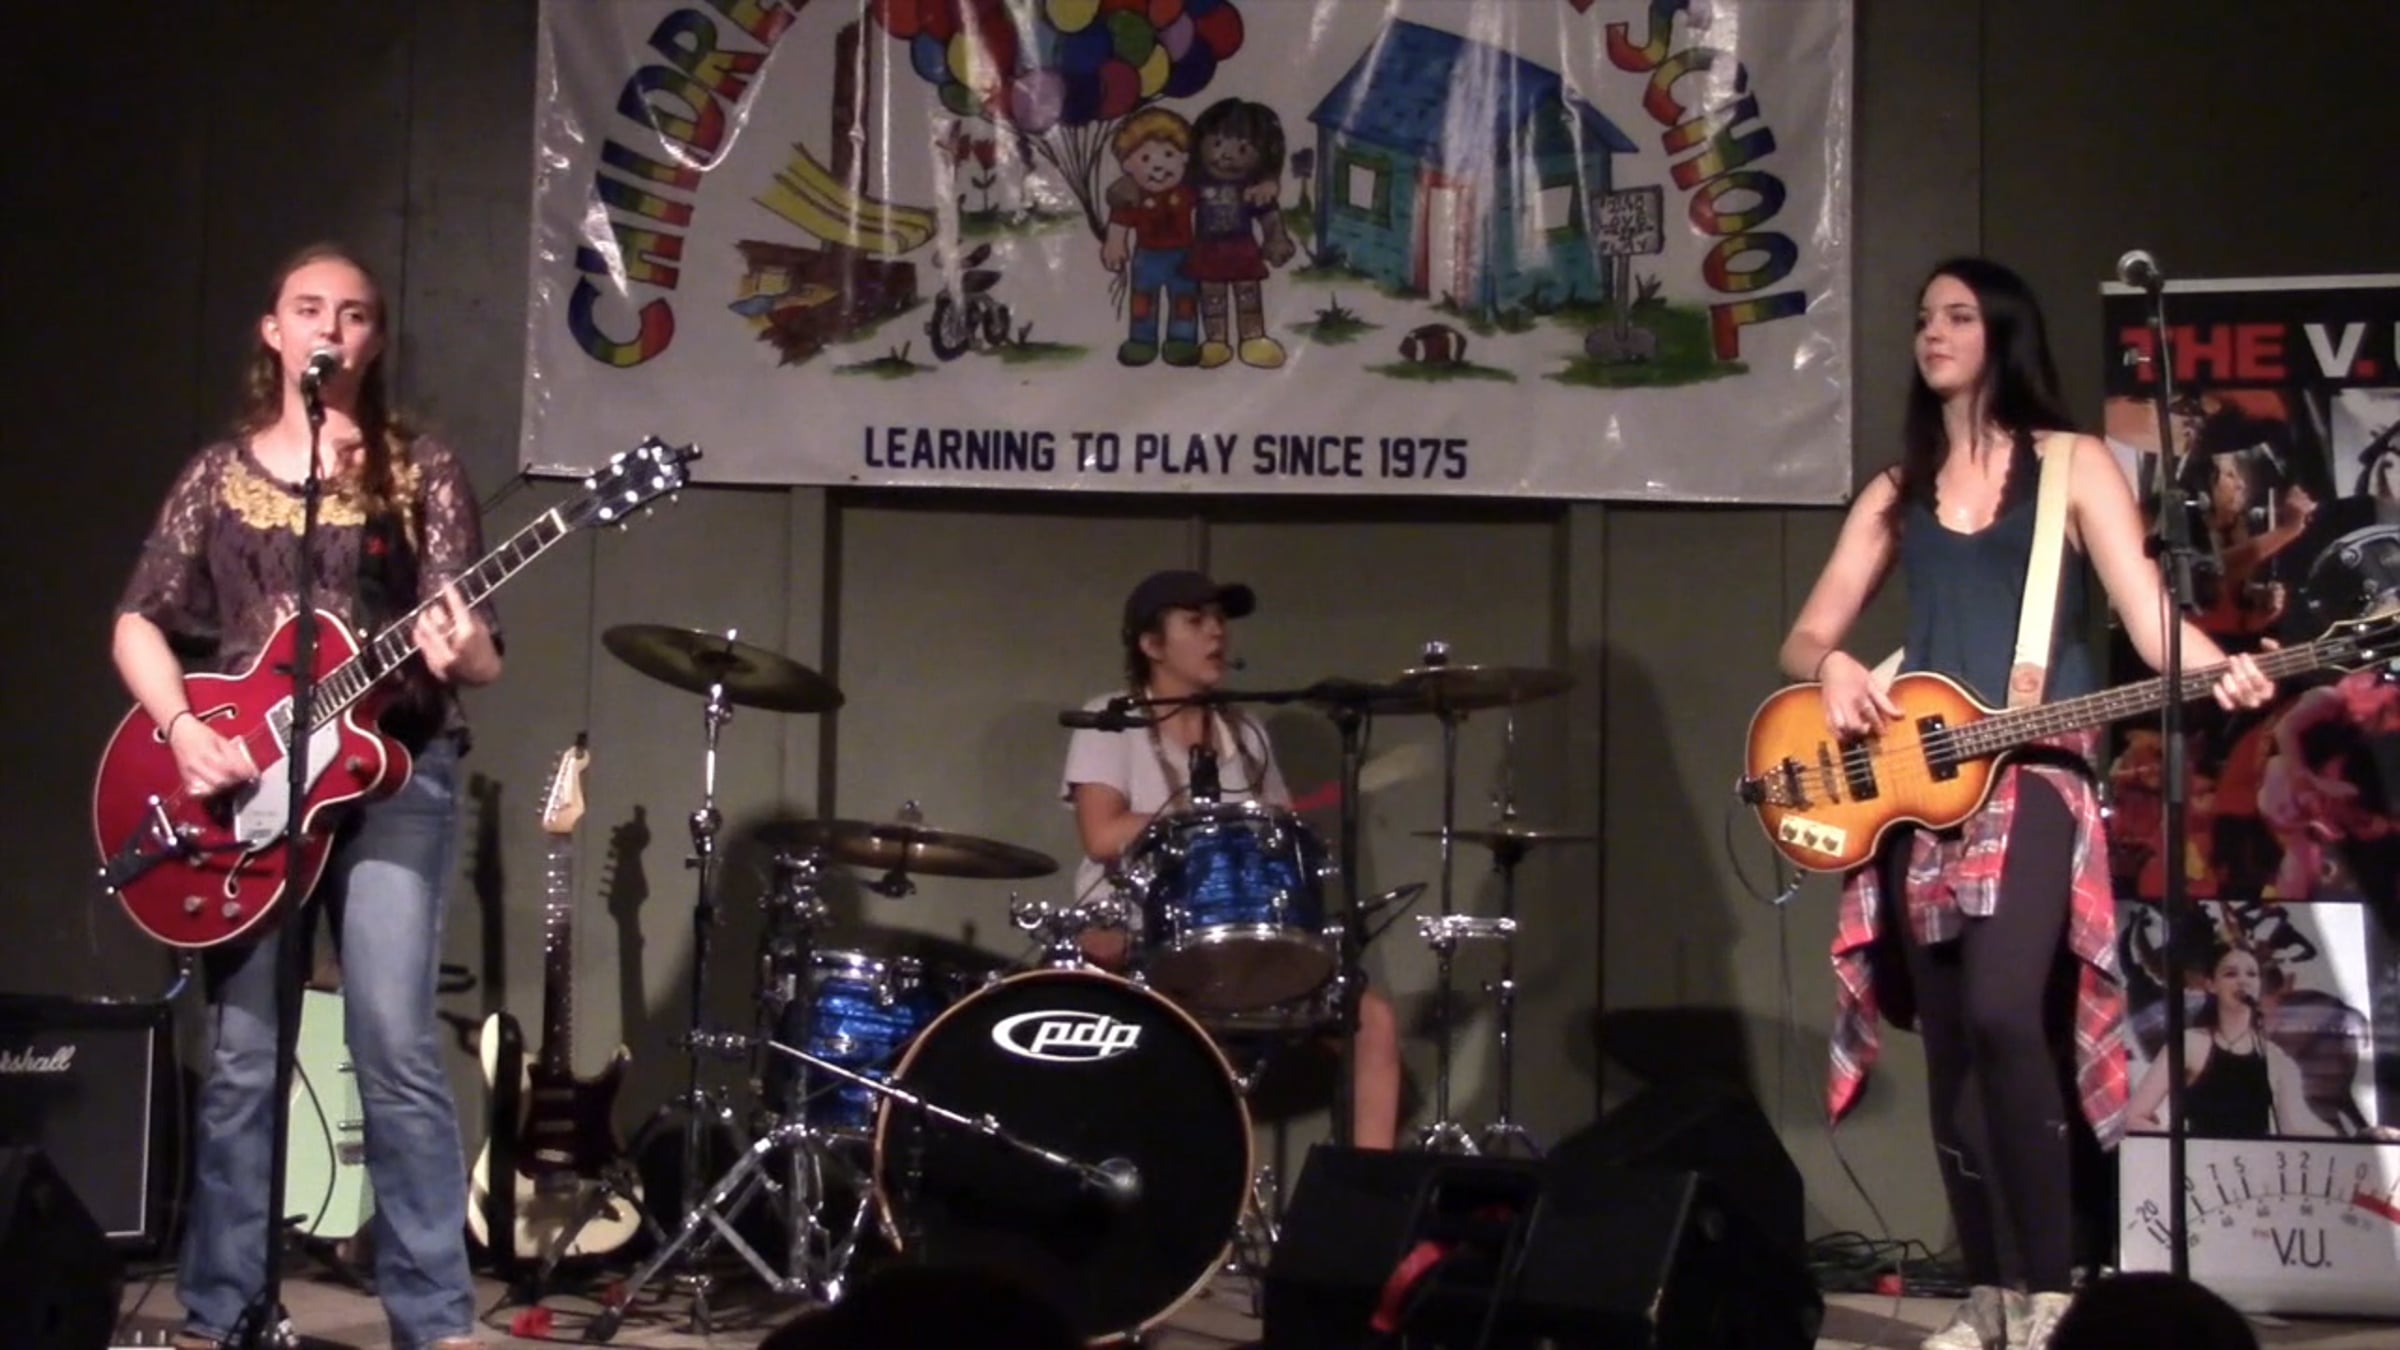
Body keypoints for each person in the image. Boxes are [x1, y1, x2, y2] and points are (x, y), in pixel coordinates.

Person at [1779, 257, 2277, 1350]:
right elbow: (1807, 635)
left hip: (2037, 768)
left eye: (1958, 316)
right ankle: (1989, 1296)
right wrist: (1833, 669)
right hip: (1917, 787)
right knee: (1953, 1040)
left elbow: (2150, 622)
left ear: (2002, 332)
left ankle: (2050, 1294)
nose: (1933, 332)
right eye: (1924, 317)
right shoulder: (1898, 488)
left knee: (2009, 1012)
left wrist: (2224, 669)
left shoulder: (2070, 464)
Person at [113, 242, 501, 1350]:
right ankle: (225, 1309)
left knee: (393, 1044)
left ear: (375, 339)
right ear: (274, 332)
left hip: (393, 775)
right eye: (310, 308)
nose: (332, 327)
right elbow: (139, 619)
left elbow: (475, 653)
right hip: (246, 795)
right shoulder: (217, 476)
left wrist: (465, 649)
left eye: (356, 313)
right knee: (244, 1057)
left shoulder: (420, 471)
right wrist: (184, 731)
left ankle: (435, 1320)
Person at [1062, 570, 1403, 1149]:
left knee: (1373, 1022)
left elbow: (1276, 835)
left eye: (1220, 620)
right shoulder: (1111, 718)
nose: (1216, 633)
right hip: (1137, 936)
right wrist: (1201, 819)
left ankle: (1373, 1193)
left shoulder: (1246, 736)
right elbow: (1100, 835)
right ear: (1151, 644)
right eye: (1196, 621)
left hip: (1239, 945)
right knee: (1198, 1044)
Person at [2126, 943, 2333, 1137]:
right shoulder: (2190, 1044)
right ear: (2211, 985)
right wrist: (2180, 1146)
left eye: (2251, 974)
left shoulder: (2275, 1057)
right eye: (2231, 974)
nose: (2243, 981)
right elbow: (2134, 1116)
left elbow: (2295, 1126)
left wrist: (2347, 1143)